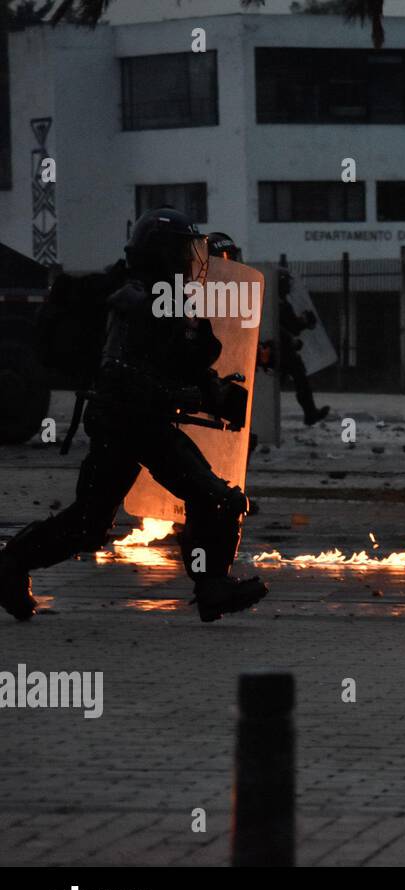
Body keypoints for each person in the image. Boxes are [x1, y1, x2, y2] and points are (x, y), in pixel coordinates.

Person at [0, 208, 268, 623]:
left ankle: (9, 565)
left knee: (88, 523)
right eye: (181, 249)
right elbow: (138, 369)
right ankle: (212, 586)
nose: (188, 259)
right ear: (161, 251)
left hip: (124, 421)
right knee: (217, 498)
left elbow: (186, 356)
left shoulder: (153, 292)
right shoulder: (138, 298)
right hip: (134, 421)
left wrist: (210, 389)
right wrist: (194, 390)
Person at [276, 267, 329, 426]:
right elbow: (278, 326)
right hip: (280, 351)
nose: (289, 286)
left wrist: (302, 322)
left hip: (284, 351)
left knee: (300, 380)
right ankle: (310, 413)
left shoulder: (281, 302)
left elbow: (290, 325)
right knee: (295, 381)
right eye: (287, 282)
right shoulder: (277, 303)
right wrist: (291, 336)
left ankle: (310, 413)